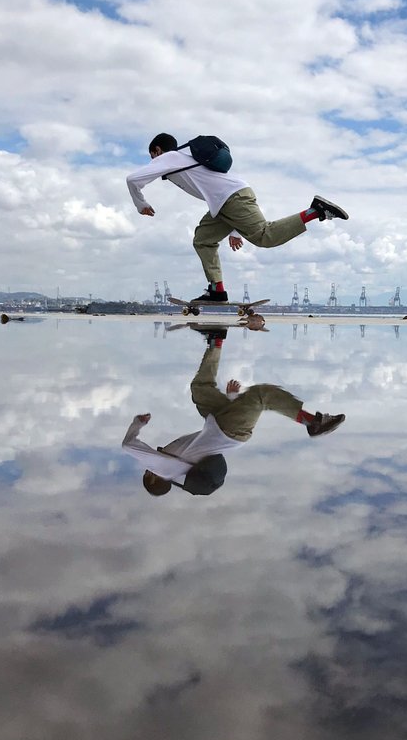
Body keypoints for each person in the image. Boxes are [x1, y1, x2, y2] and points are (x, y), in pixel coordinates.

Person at [126, 133, 349, 303]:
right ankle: (217, 290)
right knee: (202, 239)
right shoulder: (184, 157)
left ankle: (315, 211)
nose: (152, 162)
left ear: (157, 150)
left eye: (152, 156)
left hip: (233, 199)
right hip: (224, 204)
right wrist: (234, 229)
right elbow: (214, 184)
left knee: (265, 236)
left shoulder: (170, 157)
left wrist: (141, 204)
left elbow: (132, 179)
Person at [122, 328, 346, 497]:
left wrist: (232, 401)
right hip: (229, 429)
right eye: (146, 473)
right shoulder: (162, 469)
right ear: (152, 479)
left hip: (219, 423)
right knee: (261, 395)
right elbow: (128, 446)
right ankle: (312, 423)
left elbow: (204, 445)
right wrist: (137, 423)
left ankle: (216, 339)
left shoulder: (175, 471)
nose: (147, 469)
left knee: (200, 390)